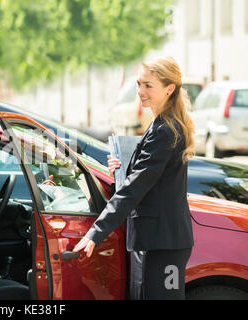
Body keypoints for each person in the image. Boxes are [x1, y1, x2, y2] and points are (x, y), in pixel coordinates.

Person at [74, 56, 195, 300]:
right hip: (154, 239)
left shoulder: (165, 130)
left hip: (164, 243)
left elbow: (136, 188)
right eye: (139, 84)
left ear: (169, 88)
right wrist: (121, 172)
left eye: (148, 85)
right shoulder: (159, 125)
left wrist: (96, 232)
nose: (140, 91)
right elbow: (145, 180)